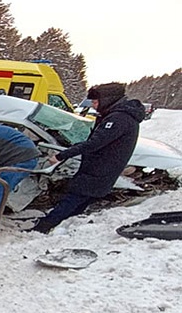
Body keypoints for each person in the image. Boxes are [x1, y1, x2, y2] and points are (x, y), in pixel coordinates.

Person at [32, 83, 145, 233]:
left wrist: (61, 155)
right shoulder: (120, 116)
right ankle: (63, 228)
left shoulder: (118, 119)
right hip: (103, 169)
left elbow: (95, 143)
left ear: (107, 99)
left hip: (99, 169)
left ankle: (42, 228)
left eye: (95, 101)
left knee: (72, 199)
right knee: (79, 201)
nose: (93, 105)